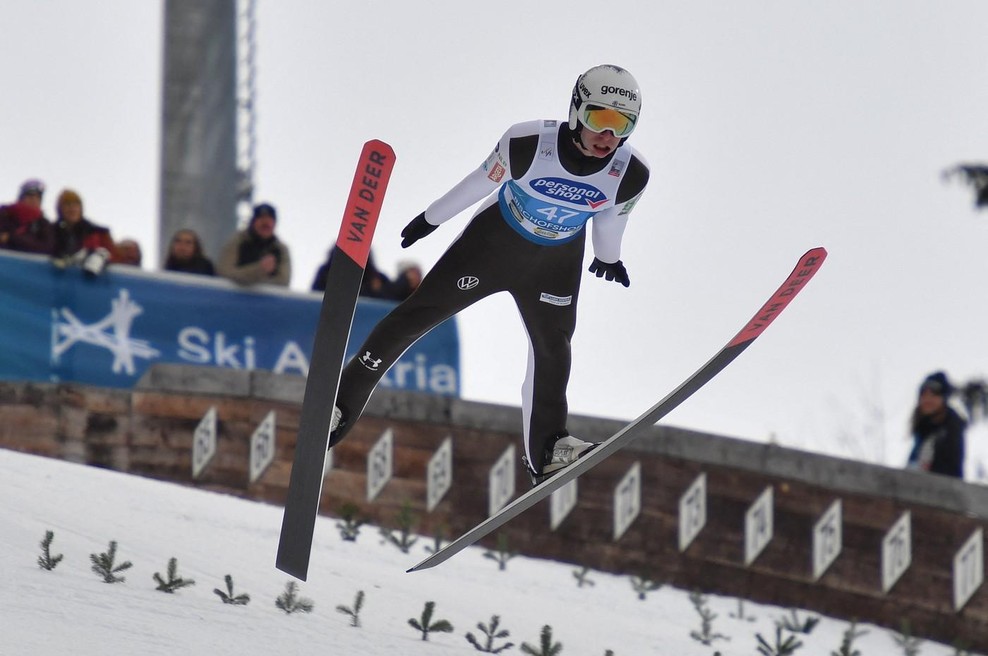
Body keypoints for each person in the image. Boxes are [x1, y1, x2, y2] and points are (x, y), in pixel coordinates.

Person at [327, 64, 650, 486]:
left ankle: (548, 448)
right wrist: (431, 218)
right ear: (576, 111)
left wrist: (609, 257)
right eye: (599, 119)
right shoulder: (528, 143)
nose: (608, 136)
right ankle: (340, 406)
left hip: (554, 262)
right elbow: (478, 183)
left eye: (621, 125)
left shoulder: (631, 173)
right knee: (416, 316)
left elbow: (611, 222)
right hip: (493, 245)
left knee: (553, 349)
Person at [906, 371, 966, 478]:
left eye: (934, 394)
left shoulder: (951, 428)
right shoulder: (922, 431)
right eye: (924, 394)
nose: (927, 399)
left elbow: (949, 471)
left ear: (944, 399)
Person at [217, 202, 291, 286]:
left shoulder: (280, 250)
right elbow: (224, 272)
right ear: (253, 222)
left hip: (266, 299)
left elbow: (283, 282)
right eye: (261, 219)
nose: (265, 223)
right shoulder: (238, 242)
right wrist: (259, 270)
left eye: (269, 220)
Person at [51, 188, 118, 275]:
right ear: (60, 210)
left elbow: (116, 260)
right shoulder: (51, 232)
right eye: (67, 205)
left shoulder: (97, 232)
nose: (72, 209)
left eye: (76, 205)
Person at [0, 178, 55, 255]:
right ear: (21, 198)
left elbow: (46, 247)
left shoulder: (43, 224)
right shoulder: (5, 215)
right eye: (30, 196)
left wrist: (12, 238)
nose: (34, 200)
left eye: (38, 197)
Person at [311, 247, 392, 299]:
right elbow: (315, 295)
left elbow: (391, 299)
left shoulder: (377, 278)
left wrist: (378, 291)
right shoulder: (326, 273)